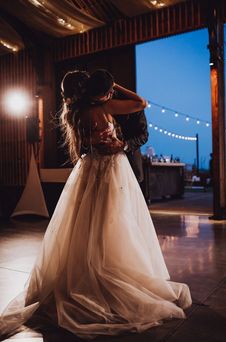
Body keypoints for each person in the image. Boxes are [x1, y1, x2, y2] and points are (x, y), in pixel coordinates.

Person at [0, 69, 192, 339]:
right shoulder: (104, 106)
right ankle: (102, 274)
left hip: (88, 170)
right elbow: (141, 103)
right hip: (111, 170)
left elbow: (85, 145)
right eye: (106, 90)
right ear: (92, 91)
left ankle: (85, 272)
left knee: (85, 224)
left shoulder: (73, 114)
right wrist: (117, 86)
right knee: (114, 223)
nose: (110, 93)